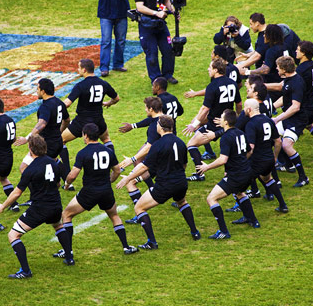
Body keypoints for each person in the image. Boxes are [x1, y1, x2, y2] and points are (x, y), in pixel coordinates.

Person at [52, 123, 139, 259]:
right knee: (114, 216)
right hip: (106, 191)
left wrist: (67, 184)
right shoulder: (108, 151)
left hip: (89, 192)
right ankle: (126, 247)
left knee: (67, 215)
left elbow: (73, 174)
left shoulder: (83, 153)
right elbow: (117, 170)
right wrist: (110, 180)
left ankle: (68, 251)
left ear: (86, 135)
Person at [0, 134, 74, 277]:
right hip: (55, 204)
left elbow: (17, 193)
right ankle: (69, 258)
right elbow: (58, 184)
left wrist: (2, 206)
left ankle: (25, 271)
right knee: (58, 226)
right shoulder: (54, 163)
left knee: (13, 235)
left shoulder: (30, 169)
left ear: (31, 149)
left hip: (40, 208)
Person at [116, 115, 201, 248]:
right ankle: (195, 232)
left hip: (165, 185)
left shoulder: (157, 145)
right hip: (181, 182)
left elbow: (144, 166)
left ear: (160, 127)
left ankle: (152, 242)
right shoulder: (180, 142)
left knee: (139, 207)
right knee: (182, 202)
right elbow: (184, 165)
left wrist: (128, 178)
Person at [197, 109, 261, 239]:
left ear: (225, 122)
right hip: (247, 173)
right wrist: (239, 162)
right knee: (240, 193)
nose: (219, 119)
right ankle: (253, 221)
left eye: (221, 117)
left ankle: (223, 231)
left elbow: (223, 160)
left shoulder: (225, 137)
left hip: (236, 176)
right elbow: (249, 151)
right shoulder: (240, 133)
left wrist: (207, 167)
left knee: (211, 198)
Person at [183, 59, 242, 181]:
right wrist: (238, 117)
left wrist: (193, 125)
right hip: (228, 121)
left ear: (216, 70)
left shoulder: (212, 86)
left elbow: (205, 109)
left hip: (214, 123)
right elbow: (239, 103)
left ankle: (200, 173)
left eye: (210, 67)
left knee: (191, 145)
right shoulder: (232, 83)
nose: (208, 69)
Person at [14, 78, 71, 197]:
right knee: (53, 162)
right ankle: (62, 183)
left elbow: (42, 124)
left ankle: (37, 195)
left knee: (24, 167)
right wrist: (59, 131)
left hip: (46, 145)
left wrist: (27, 138)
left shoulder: (45, 107)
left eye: (37, 89)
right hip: (57, 142)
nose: (36, 91)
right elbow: (67, 120)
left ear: (43, 91)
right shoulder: (59, 102)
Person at [117, 97, 164, 224]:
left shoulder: (155, 126)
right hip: (168, 156)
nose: (144, 110)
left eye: (146, 108)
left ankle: (140, 213)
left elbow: (149, 147)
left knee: (130, 181)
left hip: (158, 160)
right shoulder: (164, 119)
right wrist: (133, 126)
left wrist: (132, 159)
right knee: (138, 162)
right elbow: (149, 120)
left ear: (151, 109)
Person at [241, 98, 287, 215]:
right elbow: (278, 141)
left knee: (239, 186)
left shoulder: (251, 124)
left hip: (257, 161)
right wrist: (275, 157)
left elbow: (250, 149)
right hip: (269, 159)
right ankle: (283, 205)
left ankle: (247, 216)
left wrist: (242, 160)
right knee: (268, 179)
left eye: (245, 108)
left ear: (249, 109)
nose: (243, 111)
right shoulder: (268, 120)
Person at [62, 59, 119, 153]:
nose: (78, 70)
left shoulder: (80, 85)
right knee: (106, 140)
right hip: (98, 119)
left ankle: (66, 167)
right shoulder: (103, 83)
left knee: (61, 140)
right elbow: (116, 98)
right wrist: (108, 103)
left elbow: (67, 103)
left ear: (84, 70)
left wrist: (56, 106)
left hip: (82, 121)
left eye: (79, 67)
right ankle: (114, 165)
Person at [270, 56, 310, 187]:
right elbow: (285, 97)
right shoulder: (288, 80)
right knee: (270, 136)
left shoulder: (297, 82)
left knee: (287, 145)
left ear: (284, 69)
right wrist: (270, 107)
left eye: (278, 67)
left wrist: (277, 118)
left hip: (297, 120)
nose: (276, 69)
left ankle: (303, 177)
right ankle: (284, 163)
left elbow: (295, 107)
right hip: (288, 118)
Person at [134, 0, 178, 84]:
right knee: (152, 54)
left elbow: (166, 0)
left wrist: (173, 11)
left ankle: (168, 74)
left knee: (168, 50)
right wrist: (156, 13)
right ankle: (156, 79)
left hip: (160, 24)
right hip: (147, 25)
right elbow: (140, 7)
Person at [93, 0, 130, 77]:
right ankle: (104, 68)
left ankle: (118, 64)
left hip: (121, 12)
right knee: (106, 41)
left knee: (120, 40)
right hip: (106, 13)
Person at [119, 76, 184, 135]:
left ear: (158, 87)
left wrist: (133, 126)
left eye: (153, 86)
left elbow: (152, 118)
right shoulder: (173, 97)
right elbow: (181, 112)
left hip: (161, 133)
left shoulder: (158, 101)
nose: (152, 88)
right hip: (173, 132)